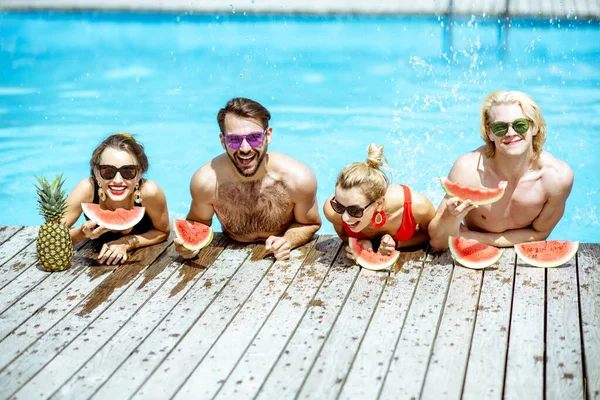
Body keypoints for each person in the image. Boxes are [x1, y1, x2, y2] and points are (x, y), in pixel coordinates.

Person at [175, 97, 322, 261]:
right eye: (234, 140)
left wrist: (287, 240)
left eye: (254, 138)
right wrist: (187, 246)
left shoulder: (298, 179)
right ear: (223, 141)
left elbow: (309, 223)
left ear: (268, 136)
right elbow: (198, 223)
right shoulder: (206, 182)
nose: (245, 148)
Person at [428, 90, 574, 251]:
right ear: (490, 133)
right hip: (471, 256)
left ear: (533, 127)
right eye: (500, 127)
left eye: (520, 125)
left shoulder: (557, 177)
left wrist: (476, 237)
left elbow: (541, 232)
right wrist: (450, 218)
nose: (511, 133)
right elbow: (438, 242)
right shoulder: (468, 170)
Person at [63, 133, 170, 264]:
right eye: (108, 171)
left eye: (128, 171)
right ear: (97, 172)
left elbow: (162, 232)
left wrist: (127, 242)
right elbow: (52, 238)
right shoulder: (87, 189)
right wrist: (81, 233)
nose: (118, 180)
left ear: (139, 173)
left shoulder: (149, 192)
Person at [323, 143, 436, 259]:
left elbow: (430, 234)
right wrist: (362, 242)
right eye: (339, 207)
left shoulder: (418, 206)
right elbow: (343, 235)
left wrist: (397, 244)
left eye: (354, 210)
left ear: (379, 203)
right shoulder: (332, 211)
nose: (345, 218)